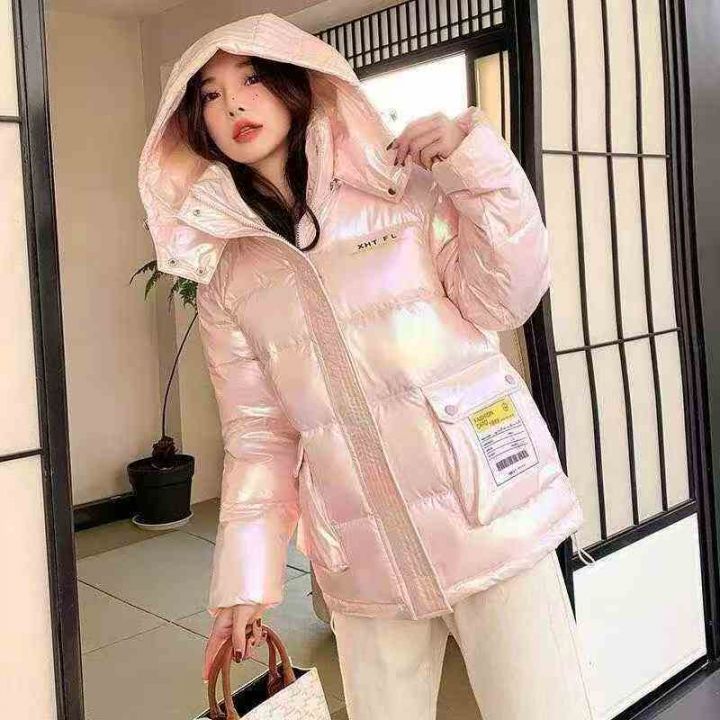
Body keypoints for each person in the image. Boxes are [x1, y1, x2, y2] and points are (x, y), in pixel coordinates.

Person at [138, 12, 596, 720]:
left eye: (252, 80)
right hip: (363, 558)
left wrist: (478, 167)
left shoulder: (400, 192)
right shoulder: (229, 279)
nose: (232, 106)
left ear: (295, 83)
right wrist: (244, 583)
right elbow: (258, 437)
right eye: (210, 95)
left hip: (491, 519)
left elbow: (506, 297)